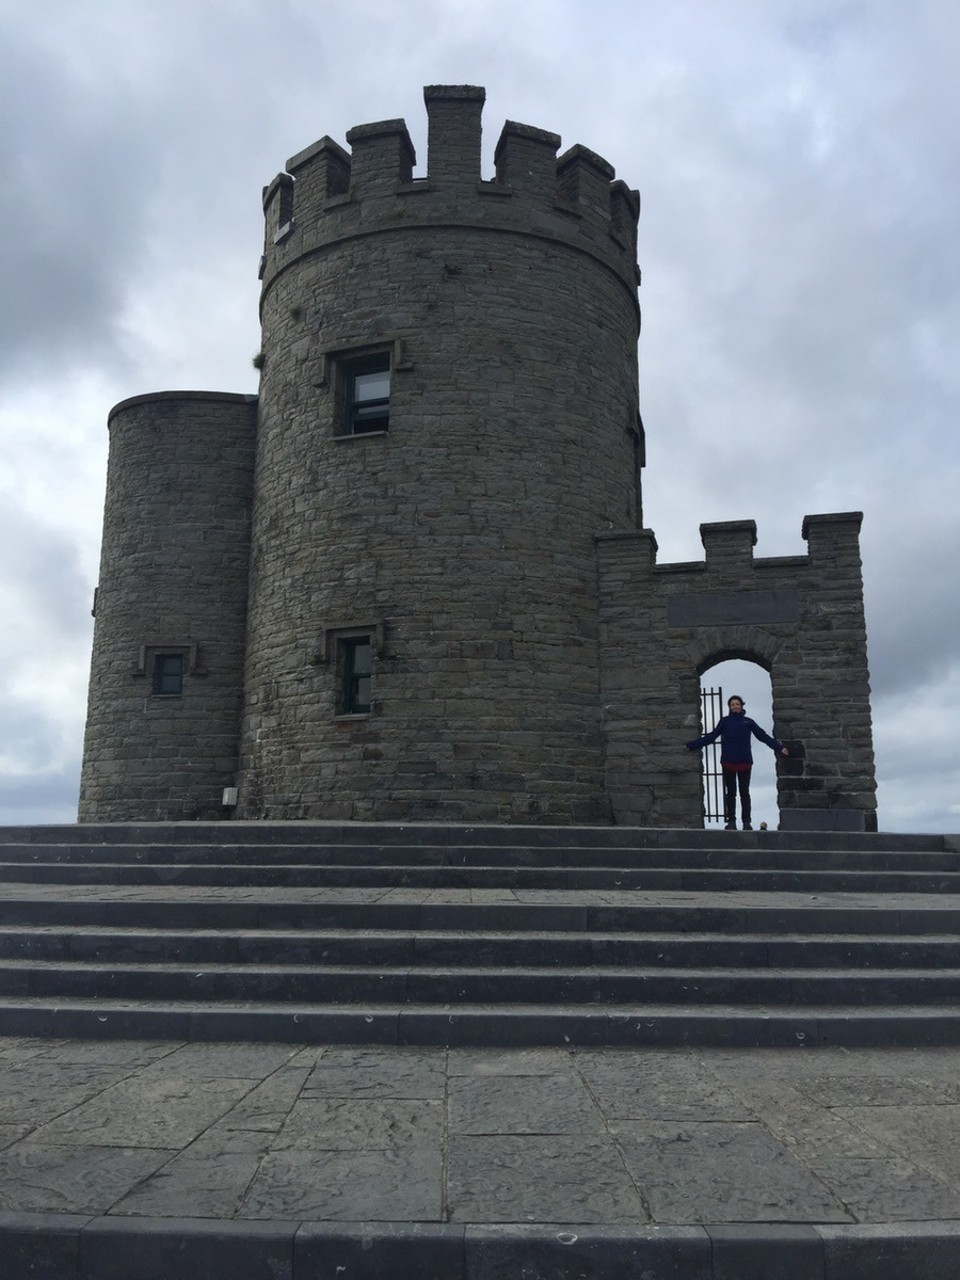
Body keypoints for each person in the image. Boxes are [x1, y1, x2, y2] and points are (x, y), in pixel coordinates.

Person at [685, 695, 788, 831]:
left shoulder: (748, 722)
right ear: (729, 707)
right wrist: (692, 745)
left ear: (741, 706)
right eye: (732, 704)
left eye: (737, 704)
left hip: (745, 762)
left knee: (744, 793)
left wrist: (779, 748)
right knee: (731, 794)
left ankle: (746, 822)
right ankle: (731, 822)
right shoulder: (725, 722)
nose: (735, 706)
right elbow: (711, 736)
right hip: (728, 763)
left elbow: (763, 736)